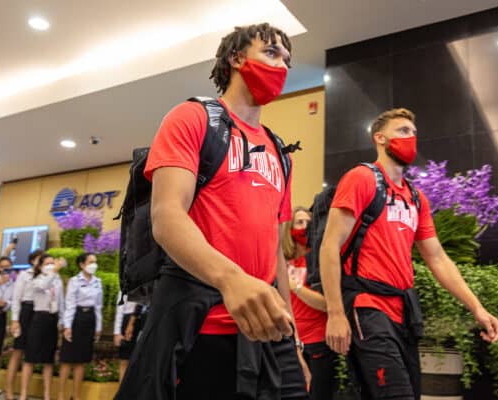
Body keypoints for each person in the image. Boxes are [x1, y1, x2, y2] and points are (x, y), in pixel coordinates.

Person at [116, 23, 309, 400]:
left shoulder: (279, 151)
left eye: (287, 60)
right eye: (271, 53)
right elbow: (167, 218)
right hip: (199, 327)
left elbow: (274, 251)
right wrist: (231, 280)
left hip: (267, 331)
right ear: (236, 58)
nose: (282, 66)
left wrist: (294, 339)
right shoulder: (193, 118)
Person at [320, 108, 498, 400]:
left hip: (403, 312)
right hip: (367, 306)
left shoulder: (416, 198)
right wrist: (335, 313)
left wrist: (477, 308)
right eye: (403, 131)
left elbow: (438, 258)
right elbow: (329, 246)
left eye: (414, 133)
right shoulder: (362, 178)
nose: (411, 137)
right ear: (380, 138)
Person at [284, 207, 339, 399]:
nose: (304, 227)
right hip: (292, 342)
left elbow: (326, 304)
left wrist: (295, 287)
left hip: (319, 341)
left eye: (308, 223)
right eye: (299, 222)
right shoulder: (284, 261)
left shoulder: (317, 261)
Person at [57, 253, 103, 400]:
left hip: (90, 321)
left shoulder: (98, 282)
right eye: (90, 262)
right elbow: (69, 304)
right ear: (82, 265)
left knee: (81, 361)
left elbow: (98, 306)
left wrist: (98, 327)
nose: (94, 265)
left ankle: (75, 395)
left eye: (95, 262)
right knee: (67, 360)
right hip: (76, 319)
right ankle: (61, 395)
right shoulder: (74, 281)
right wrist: (67, 326)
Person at [19, 254, 64, 400]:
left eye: (53, 262)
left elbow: (61, 302)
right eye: (48, 263)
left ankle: (46, 394)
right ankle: (24, 393)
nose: (52, 265)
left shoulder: (57, 280)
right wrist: (54, 271)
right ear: (40, 266)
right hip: (39, 319)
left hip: (52, 320)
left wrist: (61, 322)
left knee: (48, 360)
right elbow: (44, 285)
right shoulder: (36, 279)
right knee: (30, 358)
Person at [6, 249, 43, 400]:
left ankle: (24, 393)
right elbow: (16, 298)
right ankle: (8, 390)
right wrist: (15, 320)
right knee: (17, 353)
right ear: (33, 260)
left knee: (31, 355)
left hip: (39, 313)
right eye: (39, 259)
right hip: (25, 312)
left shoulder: (45, 276)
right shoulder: (23, 275)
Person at [113, 292, 146, 382]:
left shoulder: (149, 284)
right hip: (127, 321)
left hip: (144, 321)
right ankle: (121, 393)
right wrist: (117, 332)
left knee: (140, 361)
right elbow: (120, 308)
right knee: (124, 360)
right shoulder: (127, 282)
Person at [0, 257, 14, 388]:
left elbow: (14, 302)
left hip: (0, 318)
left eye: (8, 267)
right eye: (3, 267)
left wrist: (6, 303)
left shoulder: (13, 283)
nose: (5, 270)